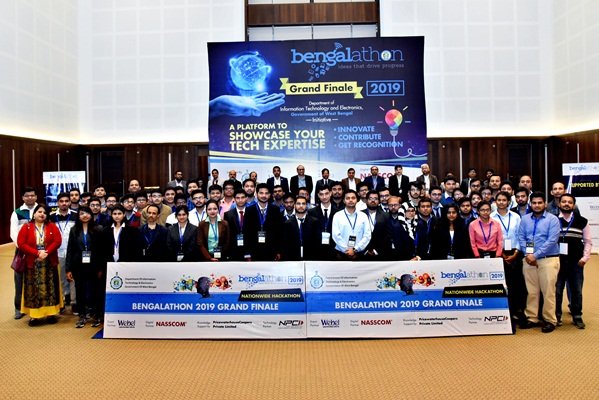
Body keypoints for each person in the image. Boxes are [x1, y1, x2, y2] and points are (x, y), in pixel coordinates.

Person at [517, 192, 561, 333]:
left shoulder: (553, 219)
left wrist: (535, 255)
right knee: (531, 291)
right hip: (528, 260)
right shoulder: (525, 219)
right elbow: (521, 237)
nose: (537, 205)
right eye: (534, 203)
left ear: (545, 204)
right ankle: (532, 317)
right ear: (530, 204)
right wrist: (528, 254)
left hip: (548, 259)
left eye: (540, 203)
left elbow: (552, 240)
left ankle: (550, 320)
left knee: (548, 291)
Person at [17, 204, 63, 326]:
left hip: (49, 261)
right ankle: (34, 316)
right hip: (32, 262)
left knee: (50, 288)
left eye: (44, 213)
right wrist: (37, 253)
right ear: (34, 214)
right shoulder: (26, 227)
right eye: (39, 212)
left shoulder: (52, 226)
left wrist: (46, 252)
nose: (42, 214)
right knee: (33, 290)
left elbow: (57, 241)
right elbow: (21, 243)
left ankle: (51, 314)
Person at [555, 194, 592, 329]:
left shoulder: (582, 221)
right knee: (557, 290)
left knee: (576, 290)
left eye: (569, 202)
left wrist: (585, 258)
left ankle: (577, 315)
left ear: (573, 205)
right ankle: (556, 315)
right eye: (564, 201)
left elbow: (588, 241)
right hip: (557, 262)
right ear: (559, 204)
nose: (566, 204)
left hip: (576, 262)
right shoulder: (553, 220)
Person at [65, 206, 103, 328]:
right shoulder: (74, 230)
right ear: (78, 216)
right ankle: (82, 315)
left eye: (87, 213)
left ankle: (96, 315)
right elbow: (70, 250)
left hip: (94, 265)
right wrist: (68, 269)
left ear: (91, 215)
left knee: (95, 290)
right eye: (81, 213)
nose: (84, 215)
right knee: (80, 290)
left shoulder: (98, 229)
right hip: (78, 265)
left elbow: (102, 250)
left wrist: (101, 268)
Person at [491, 191, 525, 322]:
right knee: (504, 283)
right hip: (499, 253)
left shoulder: (516, 216)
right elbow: (491, 237)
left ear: (509, 202)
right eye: (499, 200)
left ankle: (517, 310)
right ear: (495, 202)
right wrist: (501, 253)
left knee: (517, 283)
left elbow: (520, 235)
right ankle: (505, 311)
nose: (501, 202)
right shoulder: (491, 217)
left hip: (516, 252)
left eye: (504, 200)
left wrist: (516, 252)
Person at [10, 187, 39, 318]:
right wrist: (24, 248)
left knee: (39, 279)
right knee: (19, 280)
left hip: (40, 251)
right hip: (22, 252)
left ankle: (39, 307)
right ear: (23, 198)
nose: (30, 198)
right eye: (27, 196)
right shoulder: (17, 213)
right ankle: (18, 308)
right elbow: (13, 233)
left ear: (36, 197)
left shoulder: (41, 210)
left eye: (32, 195)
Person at [49, 192, 77, 311]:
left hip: (73, 252)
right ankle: (63, 299)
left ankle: (74, 302)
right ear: (57, 203)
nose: (64, 203)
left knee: (73, 277)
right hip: (57, 252)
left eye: (66, 201)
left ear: (70, 202)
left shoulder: (76, 215)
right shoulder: (51, 217)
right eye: (61, 201)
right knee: (60, 277)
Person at [332, 190, 371, 260]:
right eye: (347, 198)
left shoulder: (363, 216)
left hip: (359, 253)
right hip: (341, 253)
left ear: (357, 200)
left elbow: (367, 235)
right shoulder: (337, 215)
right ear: (343, 201)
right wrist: (347, 250)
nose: (350, 200)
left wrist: (355, 249)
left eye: (353, 198)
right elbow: (336, 236)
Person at [281, 196, 319, 261]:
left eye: (303, 204)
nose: (301, 206)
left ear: (306, 206)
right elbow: (286, 244)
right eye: (298, 204)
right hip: (293, 258)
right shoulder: (288, 223)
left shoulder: (314, 222)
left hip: (311, 258)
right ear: (294, 205)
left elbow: (317, 243)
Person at [308, 184, 339, 260]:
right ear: (318, 195)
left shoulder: (338, 212)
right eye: (321, 194)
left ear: (330, 193)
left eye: (326, 193)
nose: (324, 197)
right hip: (317, 250)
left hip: (334, 250)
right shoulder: (311, 212)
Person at [362, 190, 390, 260]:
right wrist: (364, 250)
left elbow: (388, 236)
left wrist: (376, 251)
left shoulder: (386, 216)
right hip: (362, 253)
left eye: (375, 199)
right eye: (370, 198)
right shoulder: (360, 214)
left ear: (379, 201)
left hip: (381, 254)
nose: (373, 201)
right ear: (366, 200)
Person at [386, 196, 414, 261]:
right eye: (390, 205)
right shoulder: (384, 219)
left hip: (404, 254)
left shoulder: (406, 218)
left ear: (400, 205)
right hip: (388, 254)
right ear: (387, 206)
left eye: (395, 205)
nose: (393, 207)